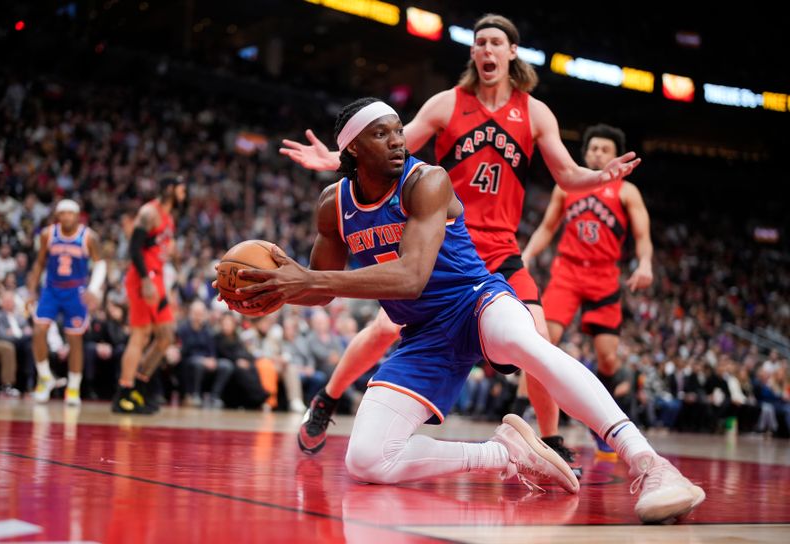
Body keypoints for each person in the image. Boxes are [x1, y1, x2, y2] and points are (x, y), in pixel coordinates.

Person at [226, 98, 704, 523]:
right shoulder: (333, 205)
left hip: (476, 300)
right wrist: (273, 289)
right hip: (423, 334)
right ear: (352, 150)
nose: (397, 140)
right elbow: (320, 291)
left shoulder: (426, 180)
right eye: (381, 134)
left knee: (524, 342)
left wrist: (305, 280)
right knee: (366, 461)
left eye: (398, 130)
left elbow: (410, 277)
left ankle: (646, 461)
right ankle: (504, 453)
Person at [281, 14, 638, 470]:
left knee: (537, 337)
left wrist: (598, 178)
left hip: (499, 246)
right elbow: (390, 143)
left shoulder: (533, 111)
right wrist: (334, 157)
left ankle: (549, 439)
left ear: (512, 53)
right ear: (473, 54)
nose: (487, 50)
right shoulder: (448, 103)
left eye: (496, 43)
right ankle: (327, 400)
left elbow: (567, 175)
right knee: (383, 330)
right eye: (480, 42)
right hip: (442, 242)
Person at [521, 124, 653, 455]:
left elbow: (642, 238)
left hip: (604, 277)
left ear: (616, 156)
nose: (596, 153)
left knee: (607, 358)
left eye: (604, 149)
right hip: (566, 272)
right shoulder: (567, 187)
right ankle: (534, 418)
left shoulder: (627, 191)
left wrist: (646, 264)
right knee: (542, 343)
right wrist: (524, 256)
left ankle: (601, 423)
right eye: (592, 148)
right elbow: (547, 227)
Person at [111, 174, 186, 414]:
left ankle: (140, 388)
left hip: (159, 278)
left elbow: (161, 248)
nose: (184, 193)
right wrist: (145, 279)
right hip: (143, 279)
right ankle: (123, 394)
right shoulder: (148, 212)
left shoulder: (169, 218)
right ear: (169, 189)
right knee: (140, 336)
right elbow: (134, 248)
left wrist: (173, 258)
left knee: (166, 336)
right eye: (180, 188)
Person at [28, 199, 106, 406]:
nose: (67, 217)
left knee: (75, 340)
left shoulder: (89, 236)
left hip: (76, 291)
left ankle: (73, 386)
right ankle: (45, 377)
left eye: (71, 214)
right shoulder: (48, 234)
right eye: (63, 213)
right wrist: (31, 289)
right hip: (52, 289)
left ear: (78, 215)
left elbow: (100, 264)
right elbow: (39, 263)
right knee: (38, 330)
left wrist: (94, 289)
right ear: (58, 216)